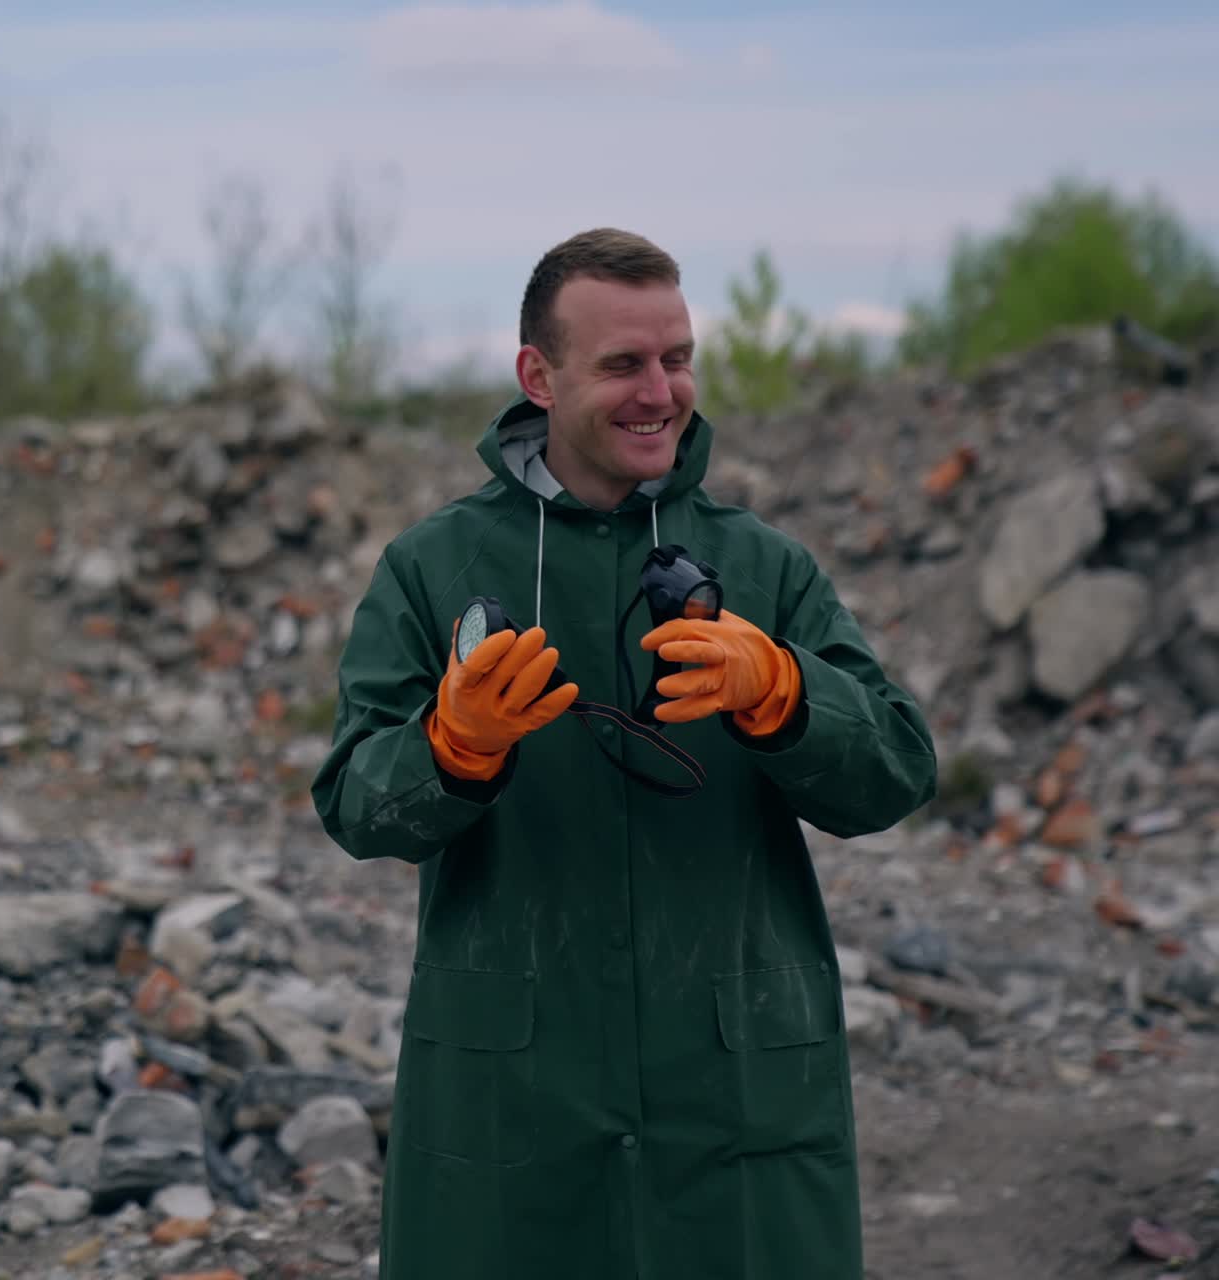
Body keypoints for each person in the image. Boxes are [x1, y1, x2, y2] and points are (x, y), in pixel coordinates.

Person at [311, 228, 937, 1280]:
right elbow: (355, 804)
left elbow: (894, 775)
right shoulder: (431, 569)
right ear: (536, 375)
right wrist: (449, 748)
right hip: (515, 1089)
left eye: (677, 357)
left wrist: (788, 694)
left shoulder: (761, 567)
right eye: (622, 364)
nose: (660, 390)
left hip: (731, 1085)